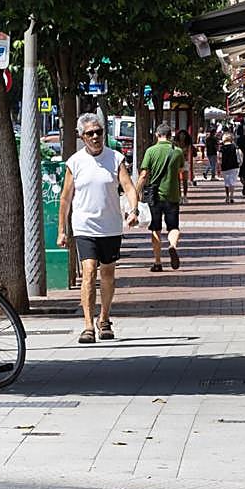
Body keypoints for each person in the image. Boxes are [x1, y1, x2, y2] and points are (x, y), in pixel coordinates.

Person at [58, 113, 140, 343]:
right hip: (84, 226)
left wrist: (134, 210)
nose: (95, 137)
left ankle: (104, 319)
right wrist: (62, 230)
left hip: (110, 226)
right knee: (89, 271)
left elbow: (129, 187)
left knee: (108, 274)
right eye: (90, 133)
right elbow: (65, 198)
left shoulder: (115, 158)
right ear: (82, 137)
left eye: (99, 132)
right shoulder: (75, 162)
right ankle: (87, 326)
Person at [137, 122, 186, 272]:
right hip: (172, 195)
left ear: (157, 135)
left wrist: (136, 192)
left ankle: (157, 262)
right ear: (170, 136)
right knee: (173, 227)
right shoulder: (178, 152)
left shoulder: (151, 151)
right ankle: (172, 245)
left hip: (155, 196)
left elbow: (144, 174)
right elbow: (181, 170)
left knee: (155, 228)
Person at [219, 131, 241, 204]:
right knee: (232, 182)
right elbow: (239, 155)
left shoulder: (222, 148)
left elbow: (220, 158)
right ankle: (232, 196)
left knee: (226, 182)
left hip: (225, 166)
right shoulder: (235, 147)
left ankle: (227, 196)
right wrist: (240, 163)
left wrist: (219, 167)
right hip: (234, 166)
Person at [175, 129, 195, 203]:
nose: (182, 136)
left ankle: (185, 196)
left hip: (185, 162)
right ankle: (179, 196)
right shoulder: (176, 143)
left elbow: (189, 153)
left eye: (183, 135)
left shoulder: (188, 144)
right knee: (177, 181)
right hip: (177, 162)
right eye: (181, 135)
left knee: (185, 180)